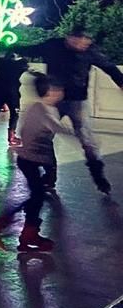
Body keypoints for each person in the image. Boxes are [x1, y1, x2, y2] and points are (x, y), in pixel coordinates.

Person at [24, 26, 123, 194]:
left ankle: (99, 177)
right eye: (79, 42)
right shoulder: (53, 45)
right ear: (69, 38)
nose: (83, 46)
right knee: (44, 137)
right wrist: (5, 47)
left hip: (78, 101)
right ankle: (49, 176)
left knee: (87, 139)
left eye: (86, 42)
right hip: (53, 99)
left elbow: (110, 67)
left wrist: (121, 82)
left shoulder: (90, 51)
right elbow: (30, 48)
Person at [0, 74, 72, 253]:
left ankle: (21, 230)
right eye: (58, 90)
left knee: (36, 197)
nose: (61, 93)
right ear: (50, 91)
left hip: (30, 159)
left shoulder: (38, 107)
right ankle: (9, 228)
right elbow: (55, 127)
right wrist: (75, 132)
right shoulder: (44, 111)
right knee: (36, 196)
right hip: (30, 160)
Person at [0, 51, 30, 145]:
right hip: (12, 91)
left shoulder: (0, 62)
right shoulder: (21, 63)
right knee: (14, 113)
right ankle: (11, 136)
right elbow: (27, 68)